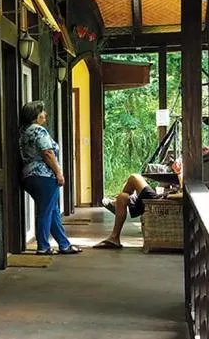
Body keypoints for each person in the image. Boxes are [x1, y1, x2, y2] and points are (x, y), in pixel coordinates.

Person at [19, 100, 82, 255]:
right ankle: (43, 247)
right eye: (42, 112)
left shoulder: (24, 132)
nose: (45, 114)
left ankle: (64, 244)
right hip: (44, 176)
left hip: (29, 176)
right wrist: (59, 172)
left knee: (52, 210)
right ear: (35, 115)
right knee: (45, 211)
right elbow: (47, 153)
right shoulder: (39, 131)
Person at [93, 174, 157, 249]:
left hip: (166, 198)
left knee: (134, 177)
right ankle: (114, 238)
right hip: (165, 196)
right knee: (122, 197)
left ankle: (115, 204)